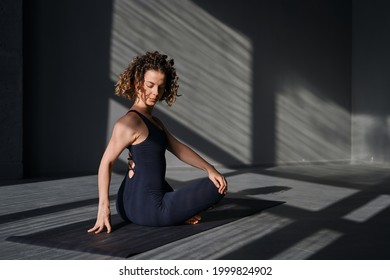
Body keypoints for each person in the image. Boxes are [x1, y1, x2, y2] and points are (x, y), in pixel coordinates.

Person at [88, 51, 227, 234]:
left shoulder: (155, 122)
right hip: (150, 209)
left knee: (207, 180)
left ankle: (179, 211)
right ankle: (175, 212)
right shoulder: (128, 122)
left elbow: (179, 149)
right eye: (150, 85)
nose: (155, 92)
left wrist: (209, 168)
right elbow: (106, 163)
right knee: (216, 188)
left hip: (129, 205)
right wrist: (103, 208)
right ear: (138, 83)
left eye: (160, 87)